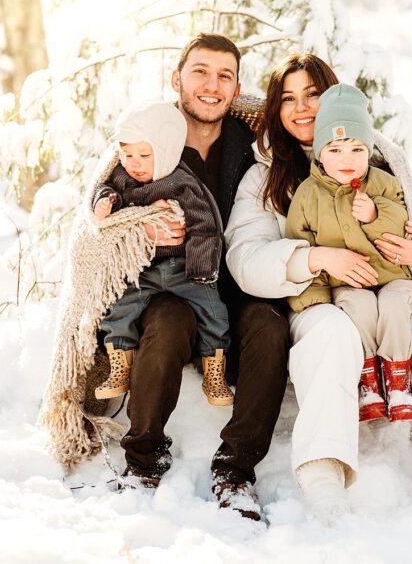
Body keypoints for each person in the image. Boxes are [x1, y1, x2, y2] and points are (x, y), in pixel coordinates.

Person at [225, 52, 412, 520]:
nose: (301, 107)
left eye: (312, 94)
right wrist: (315, 257)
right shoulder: (264, 176)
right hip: (317, 300)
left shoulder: (383, 161)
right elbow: (244, 258)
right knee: (331, 334)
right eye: (288, 98)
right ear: (276, 108)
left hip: (388, 293)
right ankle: (322, 472)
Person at [117, 34, 291, 523]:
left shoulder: (255, 143)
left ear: (236, 90)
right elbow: (100, 214)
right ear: (177, 79)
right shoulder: (147, 138)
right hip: (170, 287)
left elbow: (322, 135)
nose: (211, 86)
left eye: (224, 76)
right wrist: (136, 224)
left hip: (234, 289)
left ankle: (235, 471)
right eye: (200, 72)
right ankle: (144, 459)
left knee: (269, 324)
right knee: (167, 322)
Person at [284, 83, 412, 423]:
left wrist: (376, 216)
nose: (347, 160)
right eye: (335, 150)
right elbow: (299, 244)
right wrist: (312, 298)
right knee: (356, 309)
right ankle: (369, 382)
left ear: (369, 150)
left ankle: (399, 381)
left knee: (393, 306)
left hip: (392, 276)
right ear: (319, 153)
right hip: (348, 284)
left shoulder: (384, 183)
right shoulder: (308, 194)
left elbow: (403, 222)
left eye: (357, 149)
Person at [91, 101, 234, 407]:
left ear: (165, 151)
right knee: (119, 309)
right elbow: (104, 192)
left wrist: (202, 268)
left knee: (214, 312)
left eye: (144, 155)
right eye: (128, 155)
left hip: (184, 268)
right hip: (143, 270)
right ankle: (120, 365)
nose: (135, 163)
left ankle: (214, 372)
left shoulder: (181, 181)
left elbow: (206, 223)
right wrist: (104, 202)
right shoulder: (122, 177)